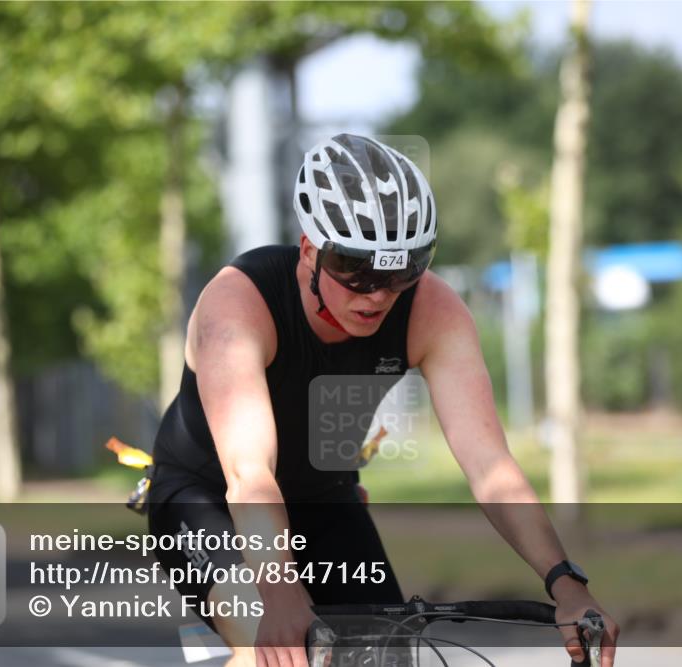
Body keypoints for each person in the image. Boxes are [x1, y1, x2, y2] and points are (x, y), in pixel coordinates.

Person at [148, 133, 619, 667]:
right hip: (208, 498)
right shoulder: (239, 304)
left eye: (400, 271)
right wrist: (281, 591)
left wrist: (565, 582)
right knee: (279, 645)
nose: (377, 294)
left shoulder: (430, 311)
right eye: (356, 269)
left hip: (324, 496)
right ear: (310, 251)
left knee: (385, 658)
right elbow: (250, 471)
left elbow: (490, 466)